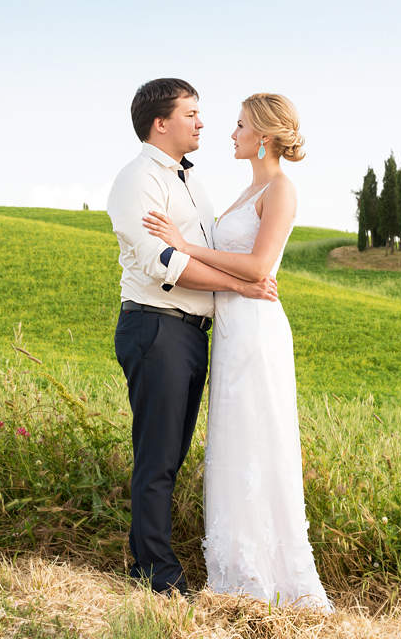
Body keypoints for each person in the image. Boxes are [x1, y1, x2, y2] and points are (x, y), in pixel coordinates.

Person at [142, 92, 333, 612]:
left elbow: (257, 267)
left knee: (258, 438)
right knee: (232, 441)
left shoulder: (281, 189)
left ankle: (267, 574)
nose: (230, 132)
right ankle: (233, 571)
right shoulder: (248, 190)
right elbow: (238, 269)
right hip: (231, 326)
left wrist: (183, 245)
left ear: (264, 137)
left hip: (256, 329)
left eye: (240, 125)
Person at [107, 78, 279, 596]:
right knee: (157, 455)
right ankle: (155, 575)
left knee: (170, 454)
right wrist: (240, 284)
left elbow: (197, 247)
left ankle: (151, 560)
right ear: (161, 123)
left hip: (188, 334)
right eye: (191, 114)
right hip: (156, 325)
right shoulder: (138, 180)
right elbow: (166, 262)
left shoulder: (189, 182)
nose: (202, 123)